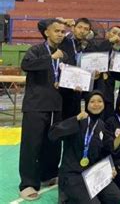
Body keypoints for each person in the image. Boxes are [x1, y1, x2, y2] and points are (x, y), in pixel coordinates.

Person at [19, 19, 67, 201]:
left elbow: (66, 75)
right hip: (35, 106)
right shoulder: (36, 50)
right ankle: (28, 183)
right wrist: (50, 58)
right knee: (32, 145)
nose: (60, 34)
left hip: (56, 105)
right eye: (57, 31)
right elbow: (26, 65)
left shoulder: (64, 54)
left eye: (63, 32)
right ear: (47, 33)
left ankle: (48, 174)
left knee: (53, 144)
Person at [49, 91, 120, 203]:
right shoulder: (78, 121)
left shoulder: (101, 125)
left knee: (115, 197)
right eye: (92, 101)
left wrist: (110, 167)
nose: (96, 104)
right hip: (73, 174)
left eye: (100, 101)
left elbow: (104, 151)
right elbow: (52, 134)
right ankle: (67, 196)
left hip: (91, 173)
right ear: (87, 104)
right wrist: (75, 119)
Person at [59, 18, 93, 119]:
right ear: (73, 28)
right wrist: (63, 22)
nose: (82, 31)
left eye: (86, 29)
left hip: (78, 88)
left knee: (74, 118)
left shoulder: (89, 46)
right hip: (62, 88)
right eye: (79, 27)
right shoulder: (65, 41)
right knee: (61, 118)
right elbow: (45, 26)